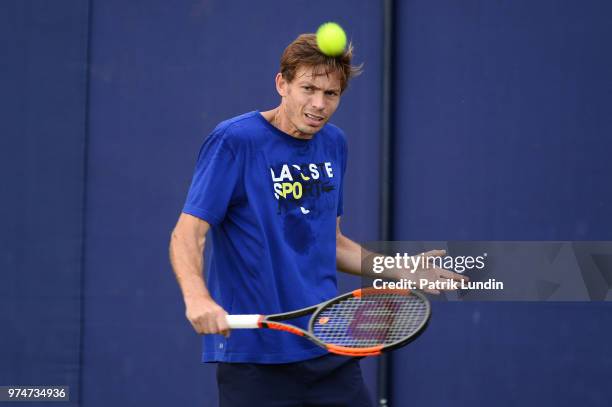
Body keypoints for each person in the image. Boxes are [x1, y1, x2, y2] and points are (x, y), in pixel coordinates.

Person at [169, 33, 463, 407]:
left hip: (328, 343)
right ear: (282, 84)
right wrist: (197, 298)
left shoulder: (334, 143)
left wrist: (397, 268)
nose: (318, 104)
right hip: (256, 361)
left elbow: (333, 242)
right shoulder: (234, 140)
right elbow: (188, 233)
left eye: (331, 94)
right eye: (308, 88)